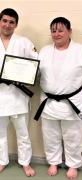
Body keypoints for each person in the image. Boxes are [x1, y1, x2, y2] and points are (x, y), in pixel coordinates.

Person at [36, 17, 82, 179]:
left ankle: (73, 165)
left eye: (60, 30)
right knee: (50, 135)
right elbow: (36, 74)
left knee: (73, 135)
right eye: (53, 31)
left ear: (69, 32)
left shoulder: (81, 51)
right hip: (49, 102)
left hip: (72, 102)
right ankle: (53, 162)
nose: (57, 34)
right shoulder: (44, 51)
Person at [0, 8, 38, 176]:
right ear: (0, 21)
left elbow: (36, 64)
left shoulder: (24, 42)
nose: (7, 25)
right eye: (5, 20)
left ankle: (25, 163)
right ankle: (1, 161)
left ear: (16, 24)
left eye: (11, 22)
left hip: (18, 95)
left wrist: (25, 76)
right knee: (0, 133)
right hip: (0, 96)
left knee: (23, 133)